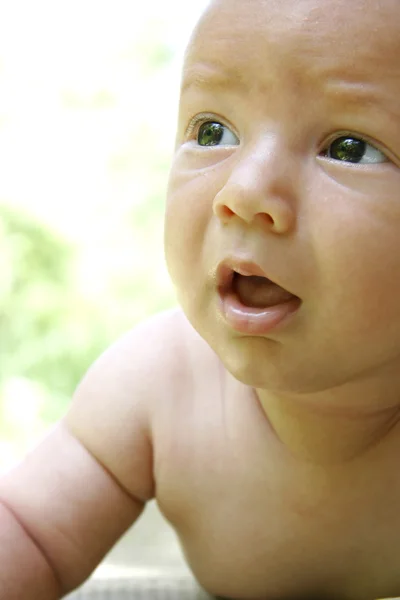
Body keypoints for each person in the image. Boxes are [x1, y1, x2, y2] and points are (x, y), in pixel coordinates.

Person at [2, 0, 400, 598]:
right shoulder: (156, 388)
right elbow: (28, 533)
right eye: (213, 132)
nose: (244, 191)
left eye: (348, 148)